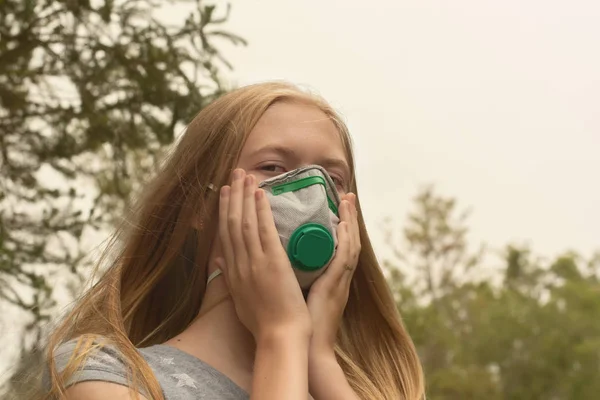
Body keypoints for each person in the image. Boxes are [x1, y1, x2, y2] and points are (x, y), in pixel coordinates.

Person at [35, 82, 424, 399]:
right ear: (200, 207)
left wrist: (319, 358)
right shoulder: (110, 375)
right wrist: (281, 335)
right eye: (272, 167)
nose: (311, 198)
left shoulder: (370, 391)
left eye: (333, 180)